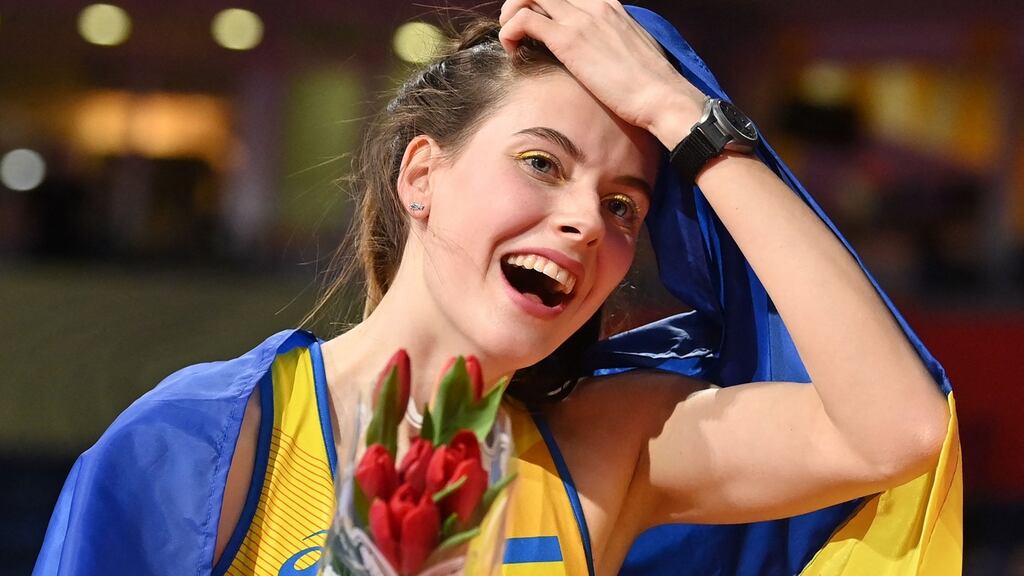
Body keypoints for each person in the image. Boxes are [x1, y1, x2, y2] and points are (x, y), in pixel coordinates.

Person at [34, 2, 962, 575]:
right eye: (540, 163)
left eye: (624, 206)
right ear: (421, 175)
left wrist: (684, 114)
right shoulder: (212, 437)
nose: (586, 222)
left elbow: (900, 430)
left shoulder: (605, 453)